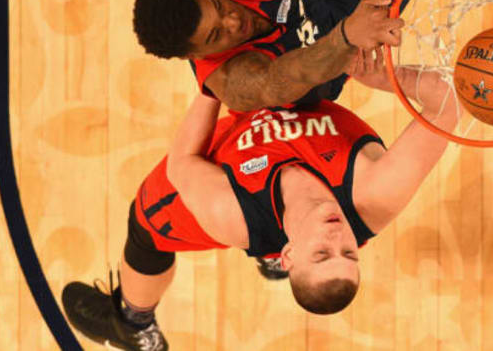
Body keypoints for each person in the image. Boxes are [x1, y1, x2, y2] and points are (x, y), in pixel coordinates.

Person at [61, 48, 458, 351]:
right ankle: (273, 254)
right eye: (350, 254)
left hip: (210, 169)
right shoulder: (377, 192)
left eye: (322, 254)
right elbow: (447, 104)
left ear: (291, 256)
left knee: (145, 231)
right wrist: (382, 77)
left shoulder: (228, 213)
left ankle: (133, 324)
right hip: (277, 106)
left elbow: (182, 164)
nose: (338, 240)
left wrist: (213, 82)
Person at [132, 0, 449, 111]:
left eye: (218, 6)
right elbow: (283, 78)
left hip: (310, 0)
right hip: (328, 60)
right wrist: (348, 36)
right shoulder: (229, 80)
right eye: (217, 35)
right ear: (195, 54)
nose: (233, 21)